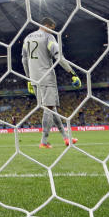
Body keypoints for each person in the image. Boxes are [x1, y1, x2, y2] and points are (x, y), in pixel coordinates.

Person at [22, 17, 82, 148]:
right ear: (46, 25)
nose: (52, 31)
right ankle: (44, 141)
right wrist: (72, 73)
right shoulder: (48, 37)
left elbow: (24, 60)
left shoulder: (27, 38)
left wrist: (28, 79)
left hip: (34, 78)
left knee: (52, 108)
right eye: (52, 28)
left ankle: (66, 138)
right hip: (46, 76)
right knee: (49, 108)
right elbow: (58, 56)